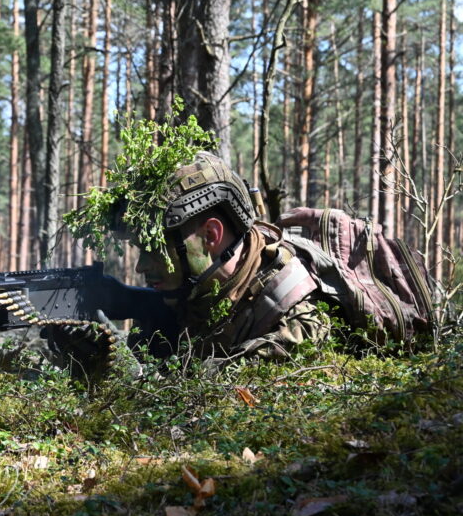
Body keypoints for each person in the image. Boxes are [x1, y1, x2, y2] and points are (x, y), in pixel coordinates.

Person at [46, 151, 331, 373]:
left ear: (210, 235)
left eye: (154, 249)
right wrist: (90, 357)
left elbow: (213, 404)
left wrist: (125, 371)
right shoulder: (194, 295)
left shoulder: (293, 316)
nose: (140, 267)